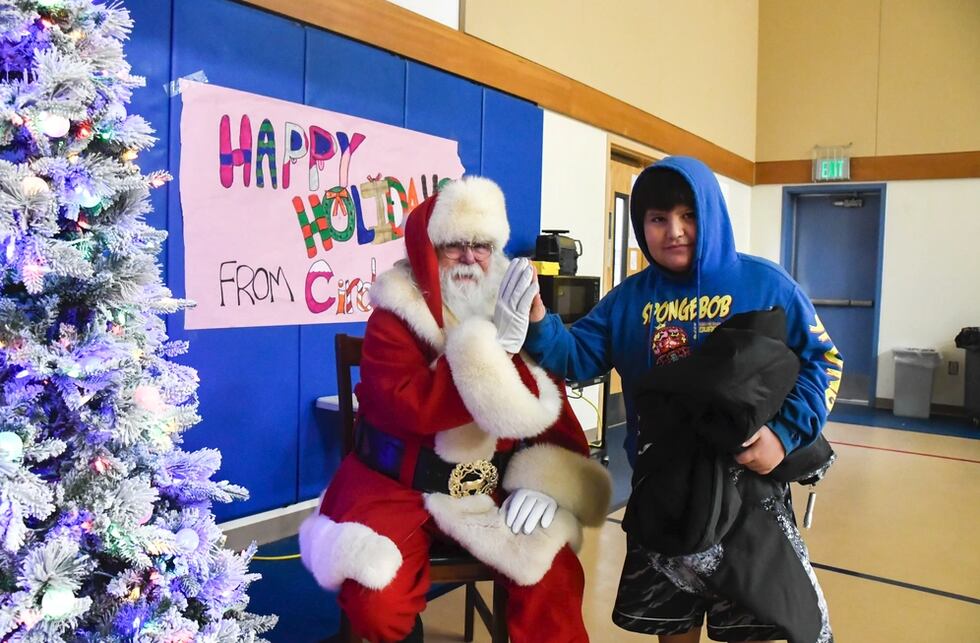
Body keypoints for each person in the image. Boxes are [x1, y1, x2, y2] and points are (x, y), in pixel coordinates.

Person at [521, 156, 841, 643]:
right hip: (663, 497)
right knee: (673, 630)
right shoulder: (629, 300)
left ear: (711, 214)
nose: (674, 230)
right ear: (641, 225)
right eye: (658, 219)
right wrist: (539, 319)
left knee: (756, 631)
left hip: (750, 499)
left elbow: (824, 362)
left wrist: (785, 434)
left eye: (688, 215)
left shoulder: (767, 285)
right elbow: (575, 355)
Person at [300, 176, 612, 643]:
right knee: (376, 606)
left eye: (482, 245)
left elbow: (554, 415)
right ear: (429, 248)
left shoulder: (513, 310)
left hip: (491, 492)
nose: (470, 258)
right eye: (454, 245)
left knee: (555, 579)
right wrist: (493, 350)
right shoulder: (393, 317)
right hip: (395, 487)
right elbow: (410, 407)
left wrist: (548, 484)